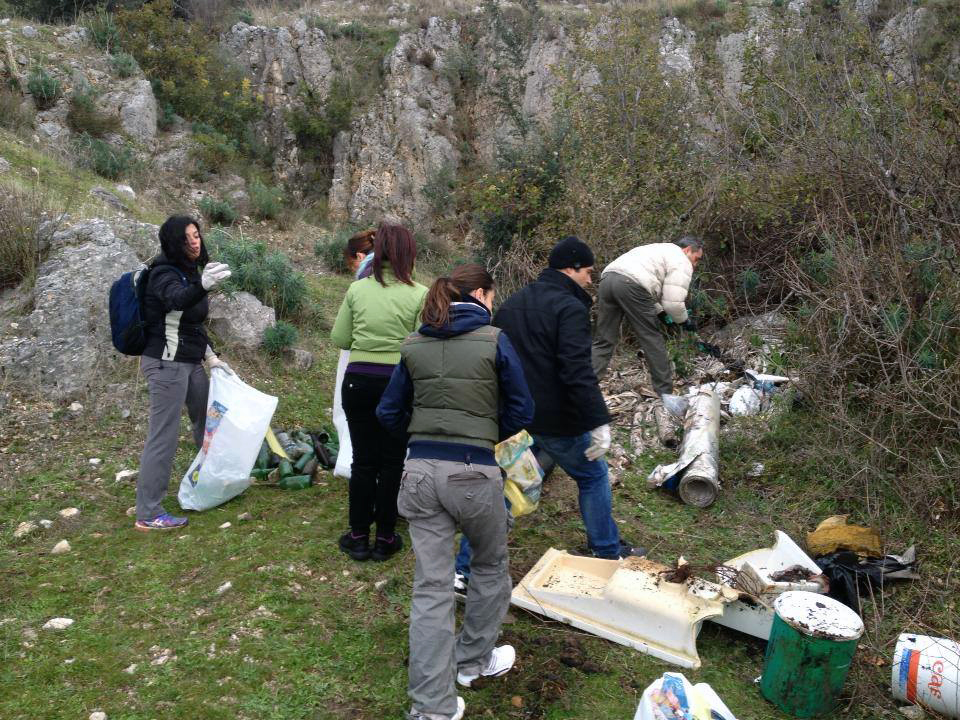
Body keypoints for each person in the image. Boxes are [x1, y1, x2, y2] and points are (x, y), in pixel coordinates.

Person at [377, 264, 534, 720]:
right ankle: (472, 661)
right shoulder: (494, 340)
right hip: (474, 472)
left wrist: (422, 436)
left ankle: (431, 708)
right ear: (482, 295)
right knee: (489, 565)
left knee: (431, 588)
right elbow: (523, 408)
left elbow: (388, 411)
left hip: (420, 472)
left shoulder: (414, 344)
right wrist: (483, 434)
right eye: (493, 294)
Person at [494, 236, 645, 559]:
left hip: (515, 417)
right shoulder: (570, 308)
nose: (591, 280)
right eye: (588, 272)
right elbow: (577, 370)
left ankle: (465, 565)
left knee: (513, 480)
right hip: (555, 419)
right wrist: (598, 420)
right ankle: (605, 550)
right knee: (593, 475)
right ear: (571, 269)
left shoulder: (511, 303)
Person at [330, 221, 428, 562]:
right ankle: (386, 538)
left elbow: (340, 339)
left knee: (363, 460)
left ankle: (358, 536)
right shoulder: (419, 293)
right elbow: (422, 344)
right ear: (409, 254)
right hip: (397, 384)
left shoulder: (358, 290)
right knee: (391, 462)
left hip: (357, 381)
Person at [135, 216, 233, 531]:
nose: (195, 242)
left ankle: (207, 483)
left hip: (190, 361)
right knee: (163, 436)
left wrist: (211, 357)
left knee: (207, 422)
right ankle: (148, 511)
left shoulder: (190, 272)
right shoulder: (163, 273)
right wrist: (201, 285)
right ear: (174, 244)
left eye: (197, 235)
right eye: (187, 238)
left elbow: (191, 324)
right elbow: (176, 301)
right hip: (166, 364)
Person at [591, 236, 704, 397]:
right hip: (632, 285)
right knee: (651, 338)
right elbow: (673, 303)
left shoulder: (658, 249)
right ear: (687, 250)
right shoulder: (681, 259)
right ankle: (666, 394)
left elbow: (647, 289)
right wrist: (685, 322)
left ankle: (583, 387)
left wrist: (662, 314)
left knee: (603, 339)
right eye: (696, 258)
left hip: (608, 279)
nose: (695, 264)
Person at [332, 229, 378, 480]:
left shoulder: (360, 286)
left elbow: (341, 336)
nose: (352, 269)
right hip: (394, 364)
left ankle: (354, 464)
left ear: (360, 256)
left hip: (361, 362)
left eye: (352, 263)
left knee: (358, 418)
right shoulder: (405, 279)